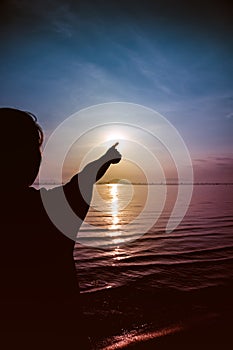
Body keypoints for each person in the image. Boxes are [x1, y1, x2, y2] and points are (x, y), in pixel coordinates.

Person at [0, 108, 121, 349]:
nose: (39, 156)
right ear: (28, 159)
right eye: (34, 149)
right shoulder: (51, 211)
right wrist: (106, 158)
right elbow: (84, 180)